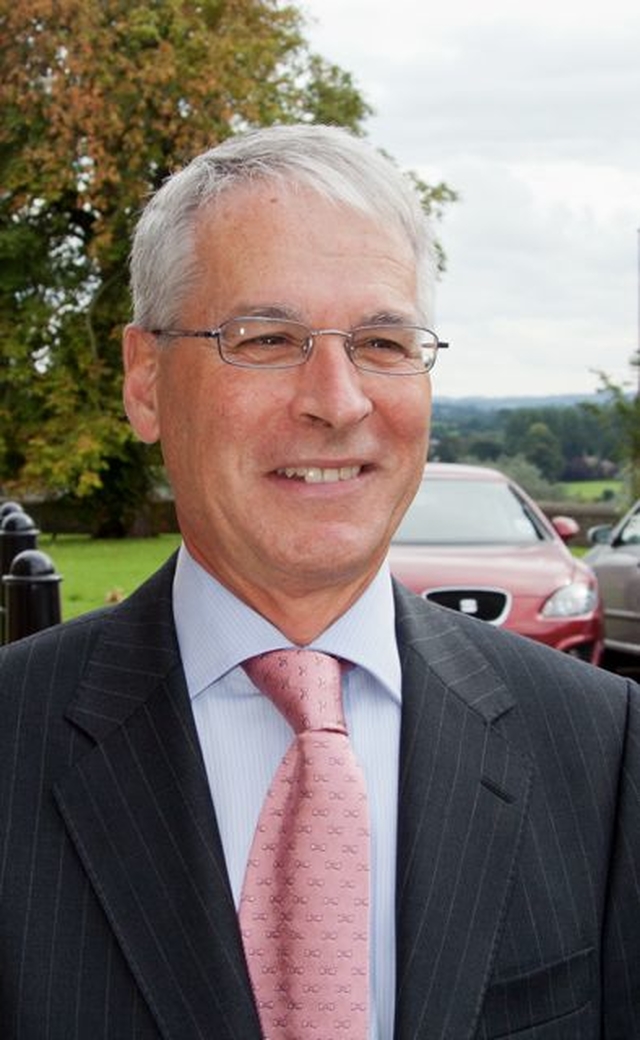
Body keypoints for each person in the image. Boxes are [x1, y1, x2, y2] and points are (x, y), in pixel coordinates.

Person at [1, 124, 639, 1040]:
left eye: (383, 341)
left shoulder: (603, 749)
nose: (337, 400)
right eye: (267, 338)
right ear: (145, 380)